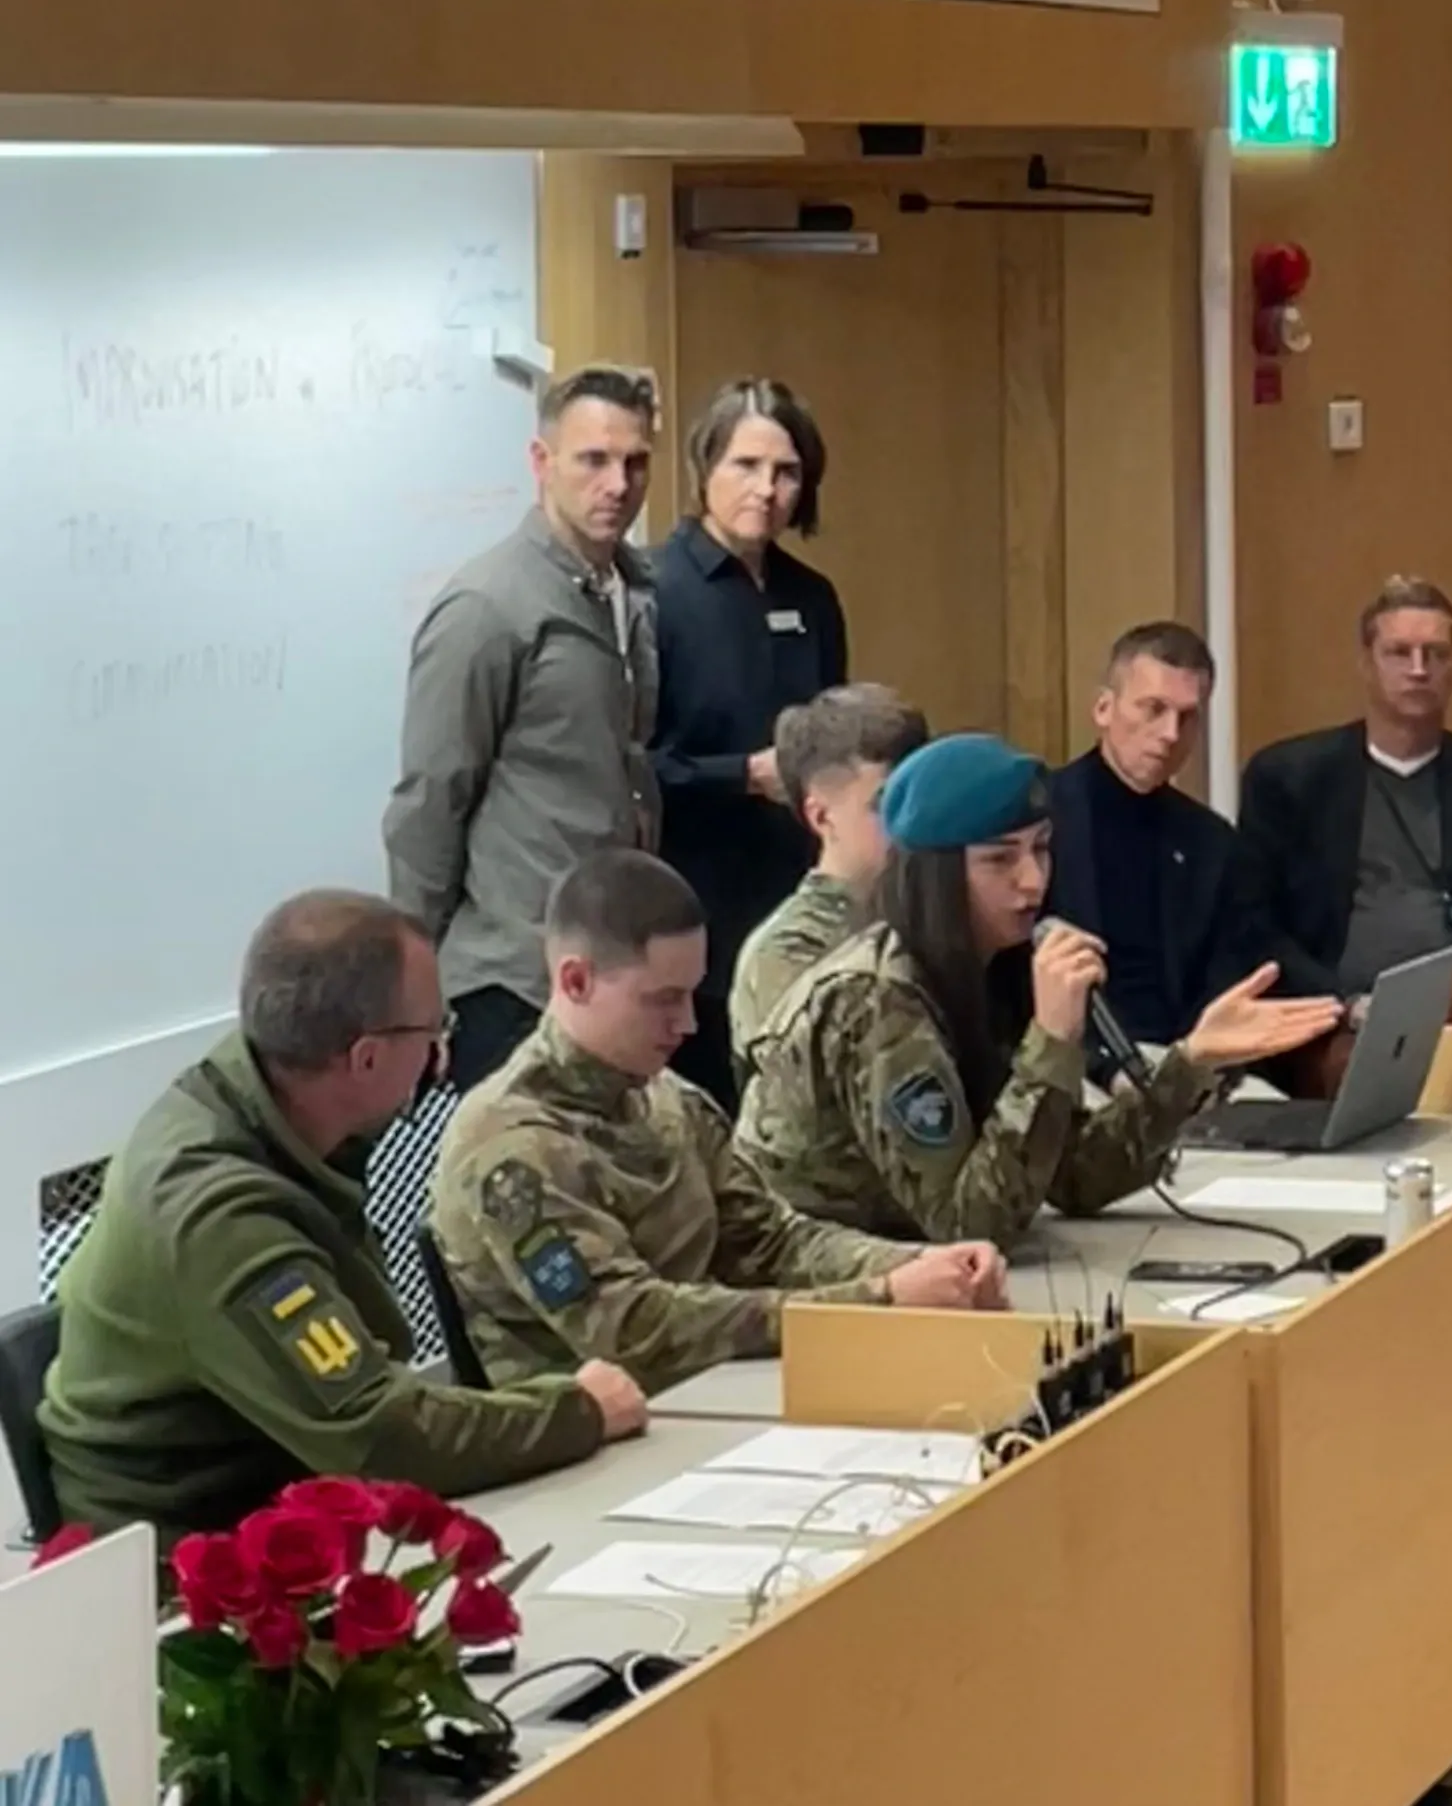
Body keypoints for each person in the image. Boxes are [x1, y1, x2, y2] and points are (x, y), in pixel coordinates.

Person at [39, 893, 647, 1541]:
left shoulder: (263, 1097)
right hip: (191, 1571)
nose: (440, 1057)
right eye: (433, 1032)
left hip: (278, 1497)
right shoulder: (218, 1216)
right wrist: (577, 1412)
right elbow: (380, 1440)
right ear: (365, 1058)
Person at [429, 849, 1006, 1396]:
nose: (686, 1024)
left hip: (708, 1398)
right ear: (576, 981)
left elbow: (766, 1241)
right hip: (598, 1448)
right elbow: (631, 1328)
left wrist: (917, 1266)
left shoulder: (666, 1097)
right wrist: (878, 1298)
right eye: (662, 999)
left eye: (690, 997)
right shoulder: (510, 1148)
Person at [736, 735, 1342, 1245]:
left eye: (1043, 850)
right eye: (1000, 861)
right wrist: (1052, 1039)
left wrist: (1191, 1063)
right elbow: (966, 1221)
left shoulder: (999, 967)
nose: (1033, 881)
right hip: (814, 1289)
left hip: (913, 1274)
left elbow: (1072, 1175)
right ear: (937, 876)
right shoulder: (872, 998)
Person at [385, 366, 659, 1094]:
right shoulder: (488, 607)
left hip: (612, 965)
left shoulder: (633, 593)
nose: (618, 484)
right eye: (593, 460)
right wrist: (412, 995)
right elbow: (429, 802)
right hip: (514, 983)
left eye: (635, 462)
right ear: (542, 464)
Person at [651, 378, 848, 1111]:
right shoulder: (654, 590)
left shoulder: (813, 597)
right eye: (746, 465)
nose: (766, 490)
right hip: (694, 899)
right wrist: (741, 776)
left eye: (786, 472)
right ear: (706, 466)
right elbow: (629, 765)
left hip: (796, 895)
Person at [1237, 577, 1452, 1004]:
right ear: (1366, 662)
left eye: (1436, 654)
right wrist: (1343, 1004)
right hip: (1329, 1017)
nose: (1418, 669)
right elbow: (1256, 927)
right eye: (1399, 653)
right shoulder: (1289, 778)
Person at [1047, 623, 1243, 1055]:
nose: (1171, 733)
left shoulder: (1211, 842)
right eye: (1153, 709)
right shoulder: (1040, 821)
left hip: (1187, 1060)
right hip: (1072, 1063)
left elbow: (1224, 975)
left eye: (1187, 717)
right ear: (1103, 708)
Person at [729, 683, 928, 1087]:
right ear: (822, 817)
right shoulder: (787, 953)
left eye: (921, 797)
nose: (911, 819)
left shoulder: (933, 914)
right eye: (886, 804)